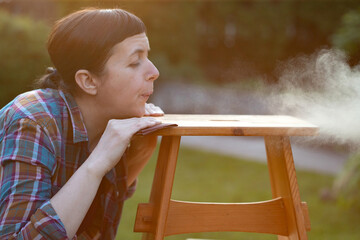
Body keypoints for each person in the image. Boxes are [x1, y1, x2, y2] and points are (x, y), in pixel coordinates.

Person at [0, 8, 164, 239]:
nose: (154, 72)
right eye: (135, 61)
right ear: (88, 81)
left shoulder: (114, 123)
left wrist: (143, 149)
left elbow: (96, 217)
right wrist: (97, 163)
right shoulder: (32, 122)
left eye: (147, 57)